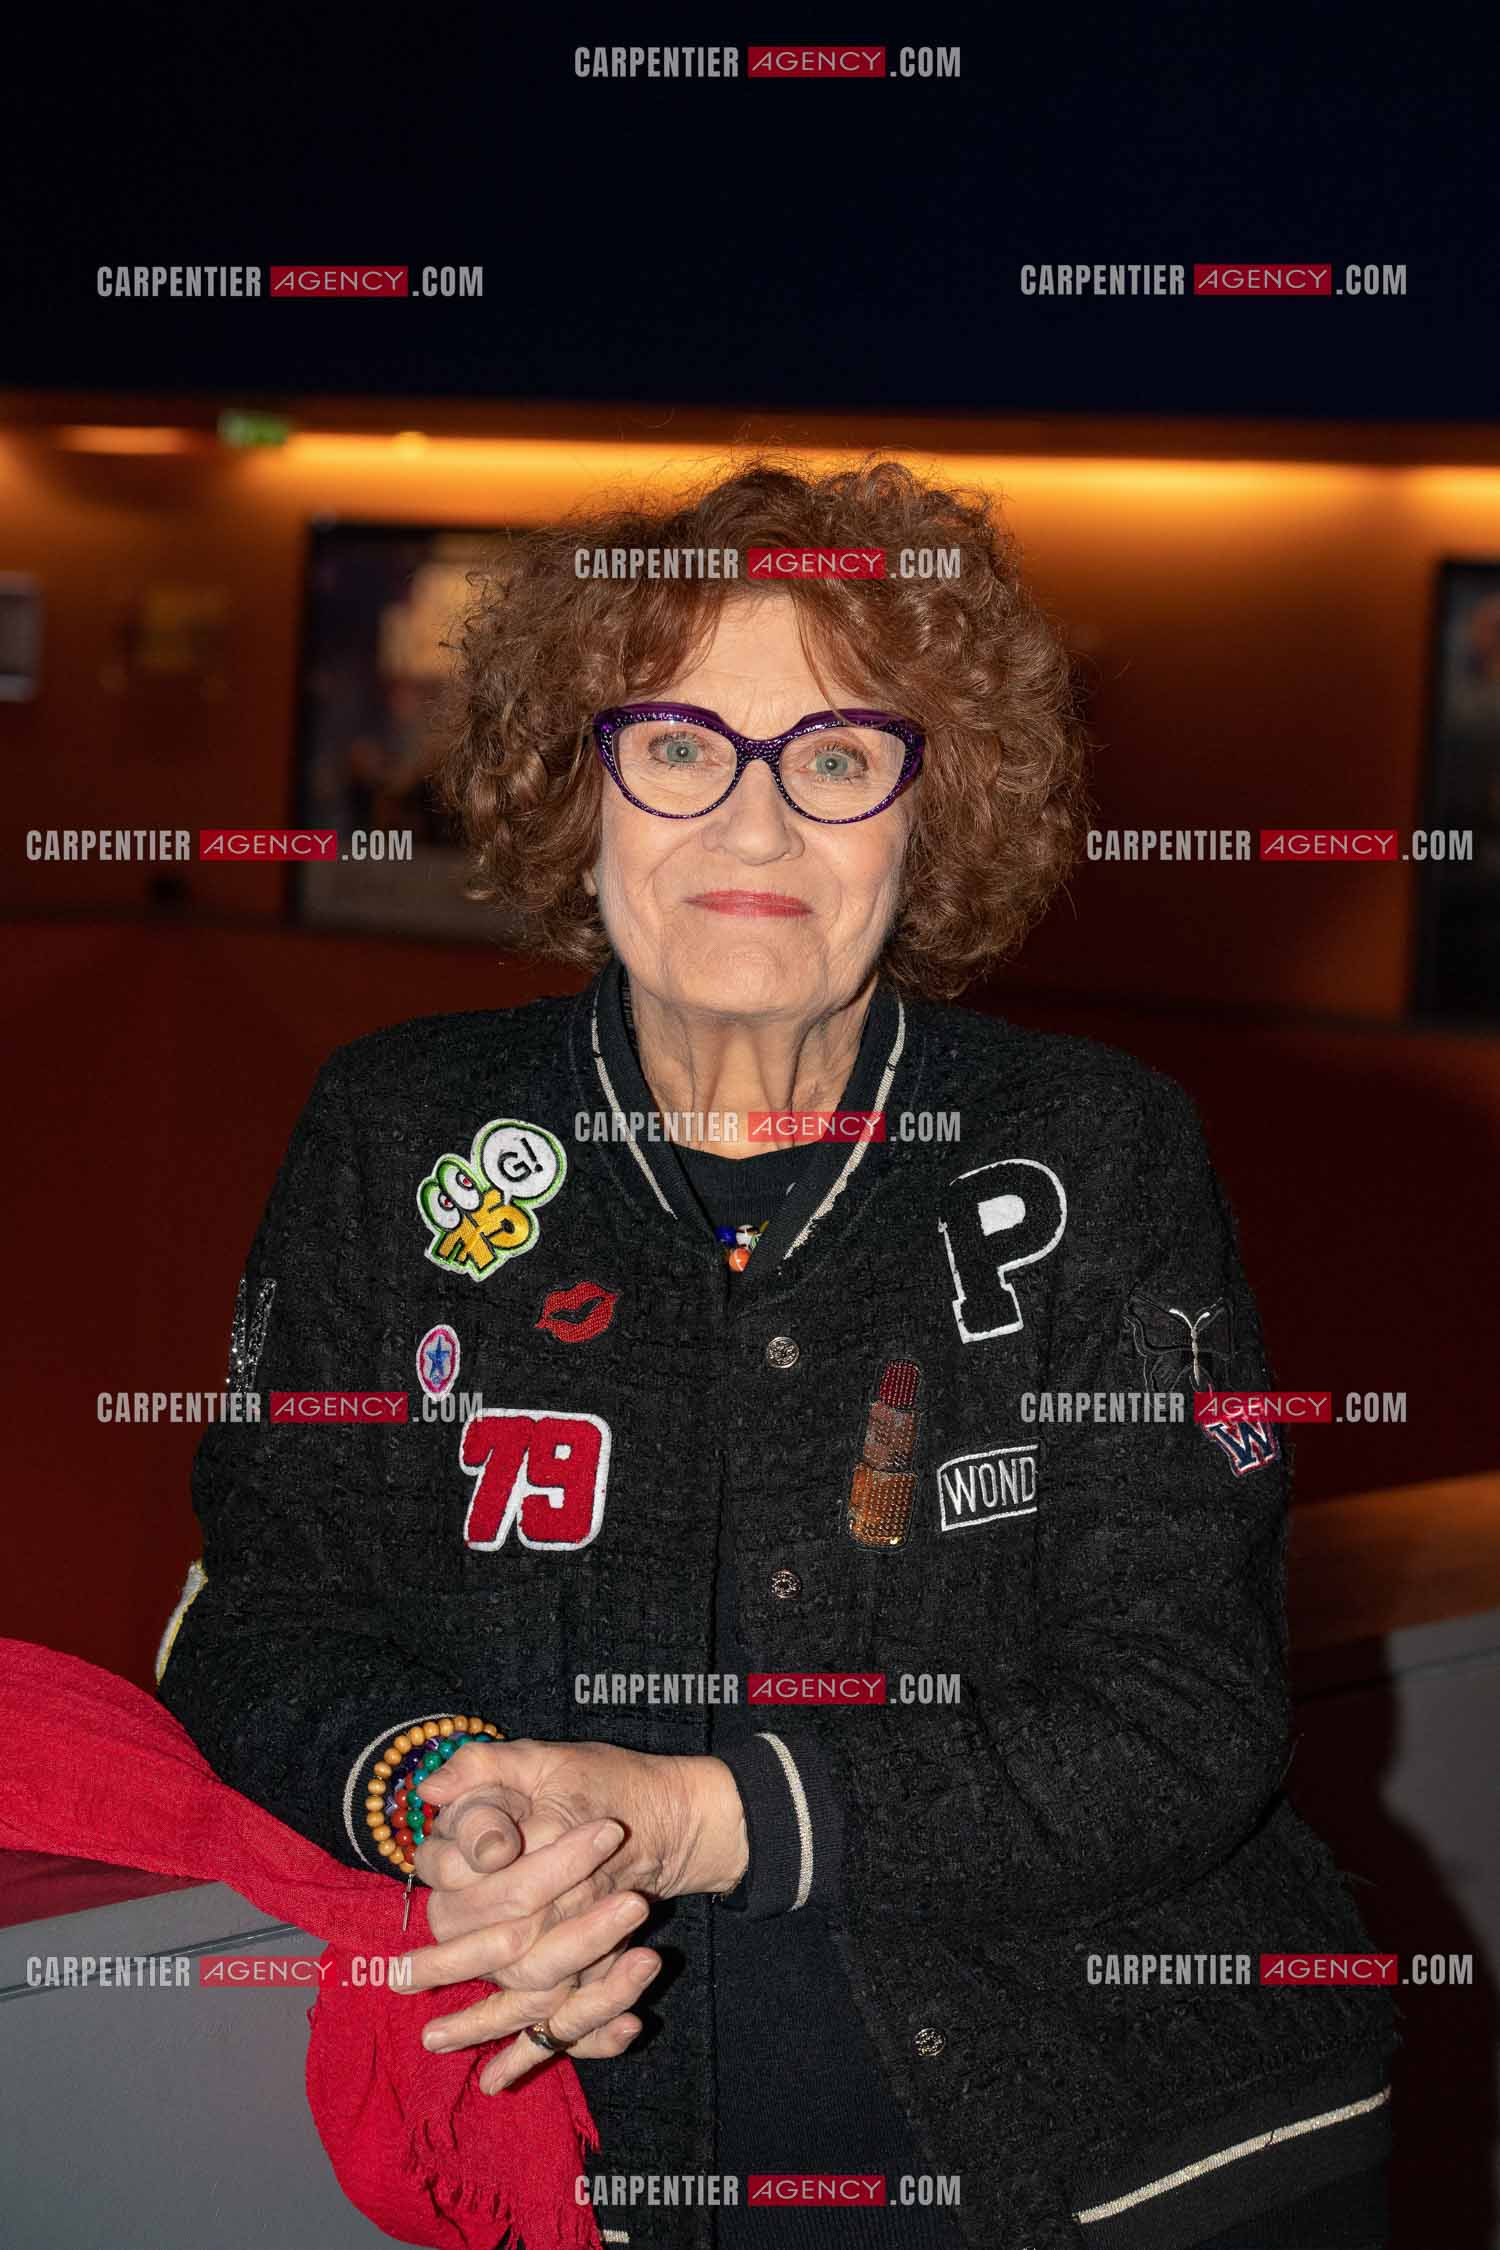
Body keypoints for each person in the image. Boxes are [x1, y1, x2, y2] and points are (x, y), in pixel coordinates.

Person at [157, 455, 1394, 2250]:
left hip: (1128, 2166)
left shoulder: (1095, 1149)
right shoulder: (395, 1131)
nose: (752, 829)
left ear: (930, 812)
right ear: (575, 784)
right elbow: (258, 1608)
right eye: (676, 746)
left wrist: (696, 1816)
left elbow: (1183, 1713)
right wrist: (448, 1801)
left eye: (834, 757)